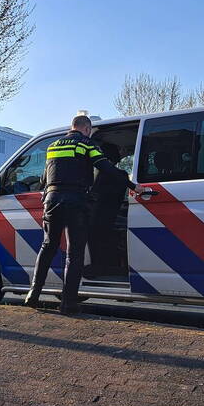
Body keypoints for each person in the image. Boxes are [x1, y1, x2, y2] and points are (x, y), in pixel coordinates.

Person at [24, 115, 139, 314]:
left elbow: (44, 178)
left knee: (47, 246)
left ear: (72, 127)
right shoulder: (87, 144)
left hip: (51, 200)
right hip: (75, 201)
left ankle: (33, 294)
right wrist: (133, 186)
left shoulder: (53, 146)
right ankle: (68, 303)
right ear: (87, 129)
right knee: (74, 253)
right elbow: (105, 167)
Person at [86, 142, 132, 278]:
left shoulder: (100, 176)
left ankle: (97, 268)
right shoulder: (122, 175)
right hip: (112, 216)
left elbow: (94, 196)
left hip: (99, 218)